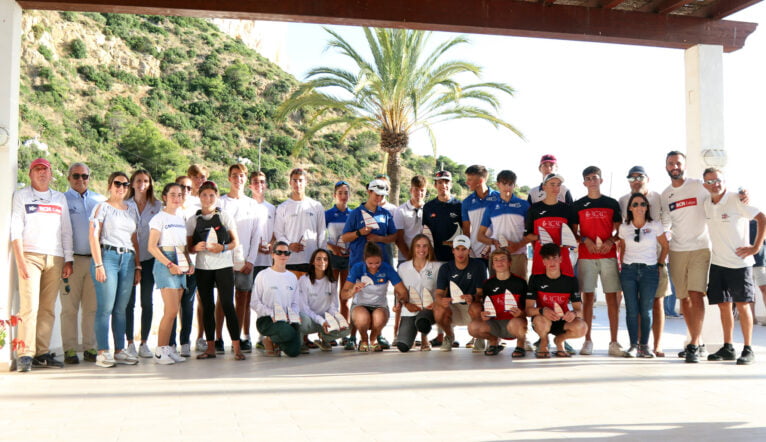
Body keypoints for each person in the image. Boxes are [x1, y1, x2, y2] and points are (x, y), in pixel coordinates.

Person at [12, 158, 73, 372]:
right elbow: (16, 230)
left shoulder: (60, 198)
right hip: (30, 256)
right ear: (30, 174)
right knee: (29, 306)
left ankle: (41, 353)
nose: (41, 173)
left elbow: (66, 230)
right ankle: (25, 354)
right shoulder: (21, 196)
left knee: (48, 309)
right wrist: (20, 260)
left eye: (45, 170)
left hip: (55, 257)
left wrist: (69, 259)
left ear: (50, 174)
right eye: (37, 170)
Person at [702, 168, 765, 365]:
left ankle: (748, 348)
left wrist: (755, 247)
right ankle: (728, 347)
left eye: (718, 180)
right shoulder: (706, 204)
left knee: (743, 304)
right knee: (723, 306)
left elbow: (762, 218)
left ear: (724, 181)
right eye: (710, 181)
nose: (715, 184)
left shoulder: (736, 199)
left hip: (740, 264)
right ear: (705, 185)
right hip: (718, 263)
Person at [660, 151, 711, 363]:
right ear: (666, 167)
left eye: (678, 163)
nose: (675, 167)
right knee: (684, 299)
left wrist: (742, 194)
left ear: (684, 166)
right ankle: (696, 342)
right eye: (671, 164)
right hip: (677, 251)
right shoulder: (665, 194)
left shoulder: (699, 185)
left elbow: (720, 196)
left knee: (696, 294)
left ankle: (694, 343)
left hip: (700, 248)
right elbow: (664, 224)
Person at [89, 172, 141, 368]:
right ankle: (102, 352)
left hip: (127, 259)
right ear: (110, 185)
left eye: (125, 184)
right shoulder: (101, 207)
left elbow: (134, 238)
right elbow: (94, 236)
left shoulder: (131, 209)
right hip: (108, 257)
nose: (121, 187)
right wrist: (98, 263)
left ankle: (119, 350)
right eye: (117, 183)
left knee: (121, 309)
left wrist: (137, 265)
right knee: (106, 308)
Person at [618, 165, 671, 356]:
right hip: (630, 269)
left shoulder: (658, 198)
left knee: (654, 305)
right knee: (632, 309)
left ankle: (653, 345)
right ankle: (635, 345)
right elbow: (621, 246)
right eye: (631, 178)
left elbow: (667, 233)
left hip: (653, 266)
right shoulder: (623, 204)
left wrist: (659, 262)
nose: (636, 180)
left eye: (640, 177)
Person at [187, 181, 244, 360]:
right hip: (203, 268)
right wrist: (196, 246)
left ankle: (236, 348)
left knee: (228, 305)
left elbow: (235, 242)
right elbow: (189, 248)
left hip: (224, 266)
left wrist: (223, 248)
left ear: (217, 197)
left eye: (212, 195)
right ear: (199, 196)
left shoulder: (224, 216)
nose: (208, 198)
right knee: (207, 307)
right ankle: (210, 348)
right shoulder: (193, 220)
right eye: (204, 195)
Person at [572, 166, 623, 356]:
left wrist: (611, 240)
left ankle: (614, 341)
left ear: (601, 180)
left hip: (608, 256)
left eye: (595, 177)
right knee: (588, 298)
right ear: (584, 183)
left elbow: (620, 231)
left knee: (612, 299)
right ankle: (587, 340)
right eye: (588, 178)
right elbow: (573, 232)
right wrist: (585, 240)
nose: (592, 181)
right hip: (586, 257)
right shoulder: (578, 205)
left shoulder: (611, 203)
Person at [341, 178, 397, 349]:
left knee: (379, 299)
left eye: (382, 195)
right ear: (369, 192)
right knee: (356, 298)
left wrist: (379, 238)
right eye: (376, 194)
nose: (379, 198)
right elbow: (344, 237)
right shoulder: (356, 213)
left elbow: (394, 237)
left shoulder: (386, 214)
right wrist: (360, 232)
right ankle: (352, 336)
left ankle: (377, 336)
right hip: (358, 262)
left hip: (381, 265)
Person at [147, 183, 194, 364]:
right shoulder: (159, 218)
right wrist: (169, 264)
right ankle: (160, 352)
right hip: (166, 263)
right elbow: (151, 247)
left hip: (180, 261)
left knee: (174, 312)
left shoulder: (181, 218)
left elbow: (183, 245)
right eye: (173, 194)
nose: (177, 198)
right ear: (164, 196)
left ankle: (168, 349)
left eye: (180, 195)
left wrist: (189, 263)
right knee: (171, 310)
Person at [62, 162, 104, 364]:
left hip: (94, 261)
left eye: (84, 176)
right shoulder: (61, 199)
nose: (81, 180)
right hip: (72, 261)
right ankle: (69, 349)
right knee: (69, 308)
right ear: (69, 178)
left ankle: (90, 348)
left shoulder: (99, 200)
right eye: (76, 176)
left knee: (92, 309)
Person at [217, 164, 260, 354]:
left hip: (245, 259)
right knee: (223, 298)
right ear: (229, 178)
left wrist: (251, 259)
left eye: (241, 176)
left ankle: (241, 336)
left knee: (242, 297)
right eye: (234, 175)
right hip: (224, 259)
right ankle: (218, 337)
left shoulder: (252, 204)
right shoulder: (220, 202)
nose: (238, 179)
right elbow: (217, 231)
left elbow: (256, 234)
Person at [341, 242, 408, 352]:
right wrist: (352, 291)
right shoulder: (357, 268)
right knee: (362, 318)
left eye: (377, 263)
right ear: (364, 260)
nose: (374, 266)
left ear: (381, 259)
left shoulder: (387, 268)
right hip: (360, 305)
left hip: (380, 305)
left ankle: (373, 339)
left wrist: (399, 303)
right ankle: (363, 339)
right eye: (370, 263)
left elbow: (402, 291)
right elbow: (343, 294)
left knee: (379, 317)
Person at [124, 169, 162, 359]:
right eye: (138, 180)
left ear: (150, 184)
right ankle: (129, 342)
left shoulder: (158, 206)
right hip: (128, 260)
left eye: (146, 180)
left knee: (147, 301)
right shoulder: (124, 205)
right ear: (132, 183)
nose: (142, 184)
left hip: (150, 260)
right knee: (128, 303)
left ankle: (144, 343)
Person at [526, 243, 588, 358]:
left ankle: (559, 341)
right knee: (540, 320)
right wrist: (542, 311)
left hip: (562, 320)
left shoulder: (571, 280)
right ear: (543, 262)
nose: (552, 262)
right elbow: (528, 310)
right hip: (543, 320)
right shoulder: (535, 279)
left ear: (560, 259)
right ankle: (544, 342)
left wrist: (573, 314)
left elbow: (580, 310)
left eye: (554, 258)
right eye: (548, 259)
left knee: (582, 327)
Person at [469, 249, 529, 357]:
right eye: (496, 260)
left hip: (514, 323)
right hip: (495, 323)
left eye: (503, 259)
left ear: (510, 262)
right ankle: (493, 342)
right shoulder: (488, 284)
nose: (499, 262)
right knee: (473, 327)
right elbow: (486, 307)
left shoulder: (520, 282)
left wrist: (521, 313)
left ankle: (521, 344)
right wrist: (484, 314)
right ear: (492, 265)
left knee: (517, 323)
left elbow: (528, 310)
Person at [433, 235, 488, 351]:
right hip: (454, 308)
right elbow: (438, 294)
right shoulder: (445, 268)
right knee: (438, 309)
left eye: (464, 249)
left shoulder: (479, 266)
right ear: (453, 251)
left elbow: (481, 293)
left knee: (478, 306)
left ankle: (479, 337)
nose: (460, 252)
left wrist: (473, 297)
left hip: (471, 307)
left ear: (469, 251)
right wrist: (441, 300)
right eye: (457, 249)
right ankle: (448, 336)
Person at [392, 175, 428, 345]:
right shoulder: (400, 211)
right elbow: (399, 238)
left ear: (425, 191)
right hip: (405, 259)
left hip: (425, 259)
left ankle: (424, 336)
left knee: (424, 295)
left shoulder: (429, 210)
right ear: (410, 190)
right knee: (402, 297)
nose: (418, 193)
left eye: (421, 190)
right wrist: (409, 260)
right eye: (415, 190)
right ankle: (396, 334)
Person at [251, 241, 302, 357]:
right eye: (279, 252)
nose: (283, 255)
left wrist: (292, 314)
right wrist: (271, 313)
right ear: (272, 254)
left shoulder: (292, 277)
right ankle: (268, 339)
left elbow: (295, 303)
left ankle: (276, 342)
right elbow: (254, 302)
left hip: (286, 319)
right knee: (288, 333)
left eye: (286, 252)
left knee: (294, 352)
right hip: (267, 320)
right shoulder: (262, 275)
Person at [477, 170, 531, 279]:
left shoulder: (524, 205)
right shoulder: (490, 207)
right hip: (497, 255)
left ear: (514, 185)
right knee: (496, 292)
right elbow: (480, 236)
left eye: (510, 184)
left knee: (519, 291)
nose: (507, 187)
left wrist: (518, 245)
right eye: (504, 183)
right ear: (498, 185)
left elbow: (532, 233)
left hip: (518, 255)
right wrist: (493, 242)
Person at [274, 168, 327, 276]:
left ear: (306, 182)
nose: (297, 183)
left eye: (301, 180)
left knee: (310, 293)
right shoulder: (282, 207)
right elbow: (279, 233)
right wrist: (289, 245)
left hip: (311, 260)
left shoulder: (316, 206)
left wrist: (321, 258)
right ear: (290, 182)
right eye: (294, 180)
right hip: (289, 260)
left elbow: (321, 234)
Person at [395, 234, 443, 352]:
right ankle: (410, 334)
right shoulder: (403, 267)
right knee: (403, 346)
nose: (421, 249)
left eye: (425, 246)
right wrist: (405, 304)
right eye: (418, 246)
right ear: (413, 248)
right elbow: (399, 291)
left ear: (429, 248)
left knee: (422, 322)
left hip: (429, 309)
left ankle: (424, 338)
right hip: (410, 308)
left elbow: (442, 290)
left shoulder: (437, 267)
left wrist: (436, 302)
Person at [297, 249, 350, 350]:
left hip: (325, 321)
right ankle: (301, 342)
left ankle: (325, 338)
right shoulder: (304, 280)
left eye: (325, 259)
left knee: (346, 329)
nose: (322, 262)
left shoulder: (332, 282)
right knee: (302, 320)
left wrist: (338, 320)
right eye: (318, 259)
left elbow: (333, 307)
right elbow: (304, 308)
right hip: (310, 320)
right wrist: (321, 321)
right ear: (313, 261)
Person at [169, 175, 196, 357]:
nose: (185, 191)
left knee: (188, 304)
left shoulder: (196, 211)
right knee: (172, 305)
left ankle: (185, 341)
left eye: (188, 188)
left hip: (192, 264)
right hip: (173, 264)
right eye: (181, 187)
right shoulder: (170, 212)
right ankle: (170, 343)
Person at [249, 171, 275, 350]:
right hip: (250, 261)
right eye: (255, 182)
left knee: (266, 299)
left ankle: (263, 334)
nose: (259, 185)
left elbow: (275, 233)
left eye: (262, 182)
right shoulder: (246, 205)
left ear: (266, 185)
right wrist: (254, 246)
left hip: (268, 261)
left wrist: (271, 245)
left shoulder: (272, 208)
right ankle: (244, 335)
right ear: (250, 185)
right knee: (247, 300)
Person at [326, 180, 352, 326]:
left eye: (346, 193)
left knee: (345, 297)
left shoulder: (354, 214)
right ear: (334, 195)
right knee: (330, 295)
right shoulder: (328, 214)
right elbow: (318, 237)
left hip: (348, 259)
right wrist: (332, 247)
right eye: (340, 193)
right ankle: (329, 330)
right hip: (332, 258)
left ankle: (344, 329)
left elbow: (358, 236)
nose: (343, 196)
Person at [422, 170, 463, 262]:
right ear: (435, 185)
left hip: (456, 257)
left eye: (447, 182)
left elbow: (467, 231)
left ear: (451, 185)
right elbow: (425, 233)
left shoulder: (460, 206)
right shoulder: (428, 207)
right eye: (440, 182)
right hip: (434, 257)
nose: (443, 185)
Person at [462, 165, 500, 263]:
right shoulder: (466, 202)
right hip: (475, 254)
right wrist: (469, 252)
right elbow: (466, 231)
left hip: (497, 252)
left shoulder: (500, 198)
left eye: (470, 179)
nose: (467, 182)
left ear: (480, 181)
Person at [749, 220, 766, 325]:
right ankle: (752, 318)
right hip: (743, 262)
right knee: (749, 292)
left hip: (760, 261)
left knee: (764, 288)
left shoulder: (760, 221)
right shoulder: (740, 221)